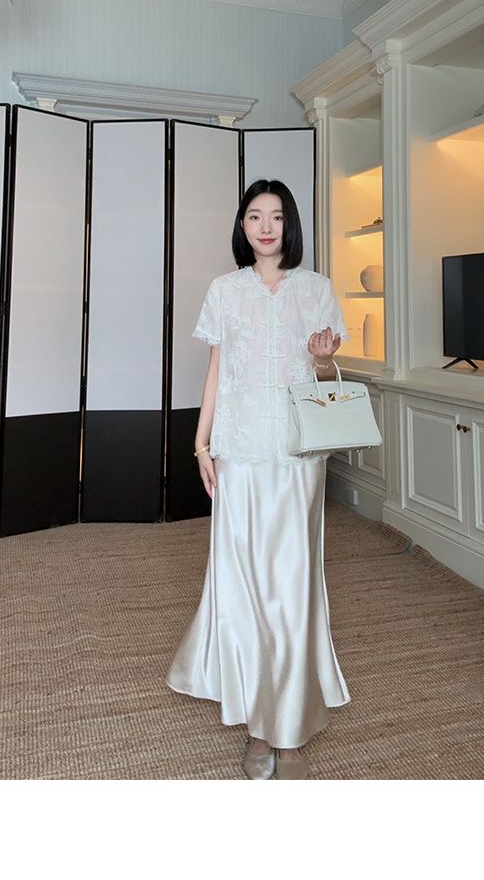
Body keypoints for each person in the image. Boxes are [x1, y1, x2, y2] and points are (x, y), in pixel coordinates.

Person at [166, 178, 351, 780]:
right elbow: (216, 372)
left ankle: (289, 731)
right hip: (240, 452)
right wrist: (201, 443)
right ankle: (256, 725)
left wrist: (323, 359)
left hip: (297, 457)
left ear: (289, 224)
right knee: (243, 583)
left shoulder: (317, 289)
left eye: (276, 215)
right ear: (242, 226)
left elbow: (328, 380)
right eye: (254, 216)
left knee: (292, 587)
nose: (266, 226)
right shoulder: (225, 291)